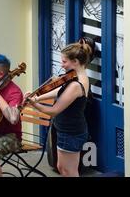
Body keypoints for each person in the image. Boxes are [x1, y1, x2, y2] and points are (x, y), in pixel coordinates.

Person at [23, 38, 95, 177]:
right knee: (62, 167)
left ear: (75, 62)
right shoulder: (74, 77)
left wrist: (33, 104)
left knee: (70, 172)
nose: (62, 65)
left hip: (71, 132)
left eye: (64, 62)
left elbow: (53, 110)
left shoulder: (76, 85)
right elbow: (59, 91)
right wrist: (38, 97)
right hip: (66, 130)